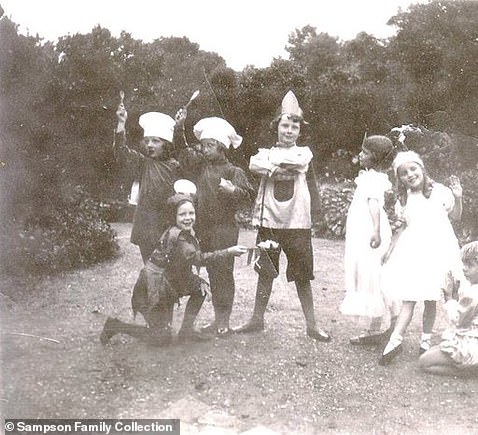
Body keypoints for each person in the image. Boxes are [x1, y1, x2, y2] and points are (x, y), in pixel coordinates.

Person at [234, 90, 330, 342]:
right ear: (276, 127)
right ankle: (257, 319)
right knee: (265, 270)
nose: (289, 131)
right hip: (270, 223)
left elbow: (299, 163)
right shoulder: (264, 152)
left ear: (300, 131)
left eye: (294, 128)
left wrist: (272, 168)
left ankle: (312, 325)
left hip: (297, 223)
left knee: (302, 275)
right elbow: (254, 164)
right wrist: (275, 166)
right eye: (285, 126)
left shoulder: (304, 153)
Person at [100, 188, 248, 346]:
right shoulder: (177, 237)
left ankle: (186, 331)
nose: (188, 218)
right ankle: (115, 325)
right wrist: (228, 251)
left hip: (168, 283)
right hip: (151, 289)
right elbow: (198, 258)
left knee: (200, 288)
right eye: (182, 214)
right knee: (161, 339)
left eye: (191, 213)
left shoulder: (186, 232)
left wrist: (197, 280)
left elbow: (181, 266)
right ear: (174, 216)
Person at [379, 150, 464, 365]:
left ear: (422, 169)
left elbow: (456, 216)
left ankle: (426, 340)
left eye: (413, 169)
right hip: (415, 250)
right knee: (409, 297)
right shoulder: (404, 200)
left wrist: (458, 197)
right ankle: (395, 340)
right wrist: (390, 250)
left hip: (440, 248)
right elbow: (403, 227)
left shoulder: (441, 192)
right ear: (400, 179)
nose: (410, 175)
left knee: (431, 297)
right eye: (404, 173)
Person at [176, 116, 254, 337]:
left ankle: (224, 321)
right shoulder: (200, 167)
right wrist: (180, 126)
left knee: (224, 274)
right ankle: (217, 318)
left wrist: (234, 191)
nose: (205, 149)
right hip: (203, 228)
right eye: (203, 145)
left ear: (222, 148)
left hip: (224, 228)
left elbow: (249, 197)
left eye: (210, 145)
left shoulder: (233, 171)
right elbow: (183, 152)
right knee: (211, 270)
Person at [339, 135, 399, 345]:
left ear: (374, 157)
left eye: (364, 152)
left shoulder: (372, 179)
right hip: (362, 229)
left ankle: (389, 326)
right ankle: (378, 328)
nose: (360, 155)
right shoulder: (372, 176)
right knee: (369, 276)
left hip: (369, 231)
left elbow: (374, 205)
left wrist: (375, 230)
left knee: (372, 276)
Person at [416, 241, 478, 377]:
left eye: (470, 265)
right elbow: (466, 312)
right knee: (435, 350)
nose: (464, 268)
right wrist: (455, 295)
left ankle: (469, 371)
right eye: (464, 264)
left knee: (424, 362)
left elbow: (458, 320)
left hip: (471, 348)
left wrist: (449, 297)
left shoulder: (475, 294)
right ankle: (476, 364)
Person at [114, 103, 181, 263]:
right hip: (146, 226)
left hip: (167, 225)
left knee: (170, 272)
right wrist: (121, 123)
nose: (149, 145)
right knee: (151, 271)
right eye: (147, 141)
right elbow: (122, 152)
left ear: (166, 144)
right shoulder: (143, 163)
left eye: (155, 141)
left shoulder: (175, 166)